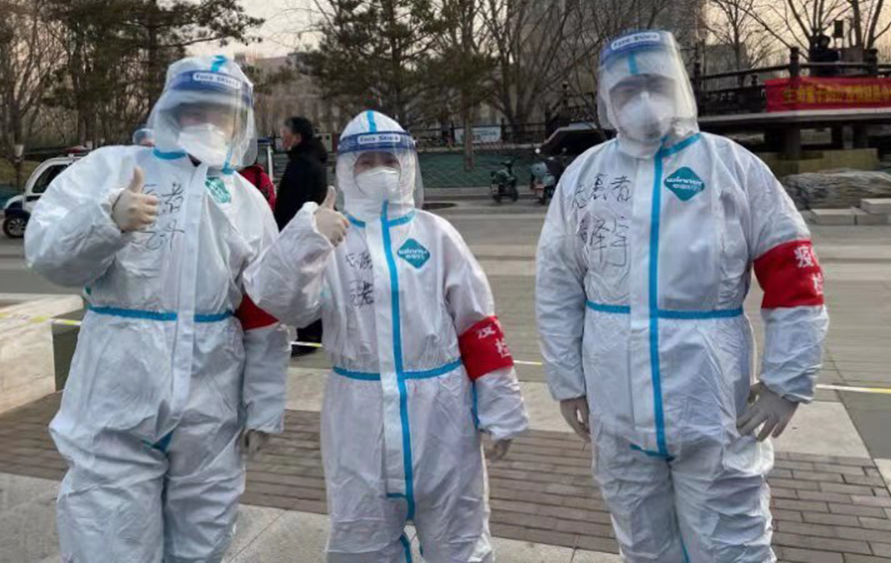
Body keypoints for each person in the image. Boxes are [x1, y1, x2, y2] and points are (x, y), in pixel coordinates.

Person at [535, 30, 829, 563]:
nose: (644, 100)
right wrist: (567, 382)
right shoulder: (586, 176)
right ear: (607, 101)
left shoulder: (732, 168)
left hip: (710, 399)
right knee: (643, 545)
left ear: (679, 86)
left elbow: (793, 277)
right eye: (627, 91)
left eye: (656, 84)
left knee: (733, 543)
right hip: (616, 404)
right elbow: (557, 284)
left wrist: (787, 382)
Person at [26, 55, 290, 563]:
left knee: (203, 539)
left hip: (211, 405)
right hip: (117, 395)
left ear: (239, 122)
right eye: (195, 109)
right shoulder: (111, 169)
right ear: (171, 109)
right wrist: (106, 219)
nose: (208, 122)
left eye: (222, 113)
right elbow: (48, 256)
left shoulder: (244, 198)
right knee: (107, 540)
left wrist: (265, 403)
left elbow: (262, 314)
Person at [246, 110, 529, 562]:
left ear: (406, 165)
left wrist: (501, 405)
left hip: (442, 416)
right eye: (365, 161)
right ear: (346, 168)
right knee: (362, 545)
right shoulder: (333, 238)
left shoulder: (435, 234)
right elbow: (280, 301)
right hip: (359, 417)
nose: (378, 170)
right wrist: (306, 237)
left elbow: (477, 323)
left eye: (388, 160)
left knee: (460, 544)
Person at [274, 115, 329, 355]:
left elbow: (294, 203)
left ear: (297, 137)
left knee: (304, 284)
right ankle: (311, 334)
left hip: (302, 232)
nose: (281, 137)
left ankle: (310, 336)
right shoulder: (308, 159)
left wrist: (285, 232)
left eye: (284, 132)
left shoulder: (303, 164)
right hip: (309, 230)